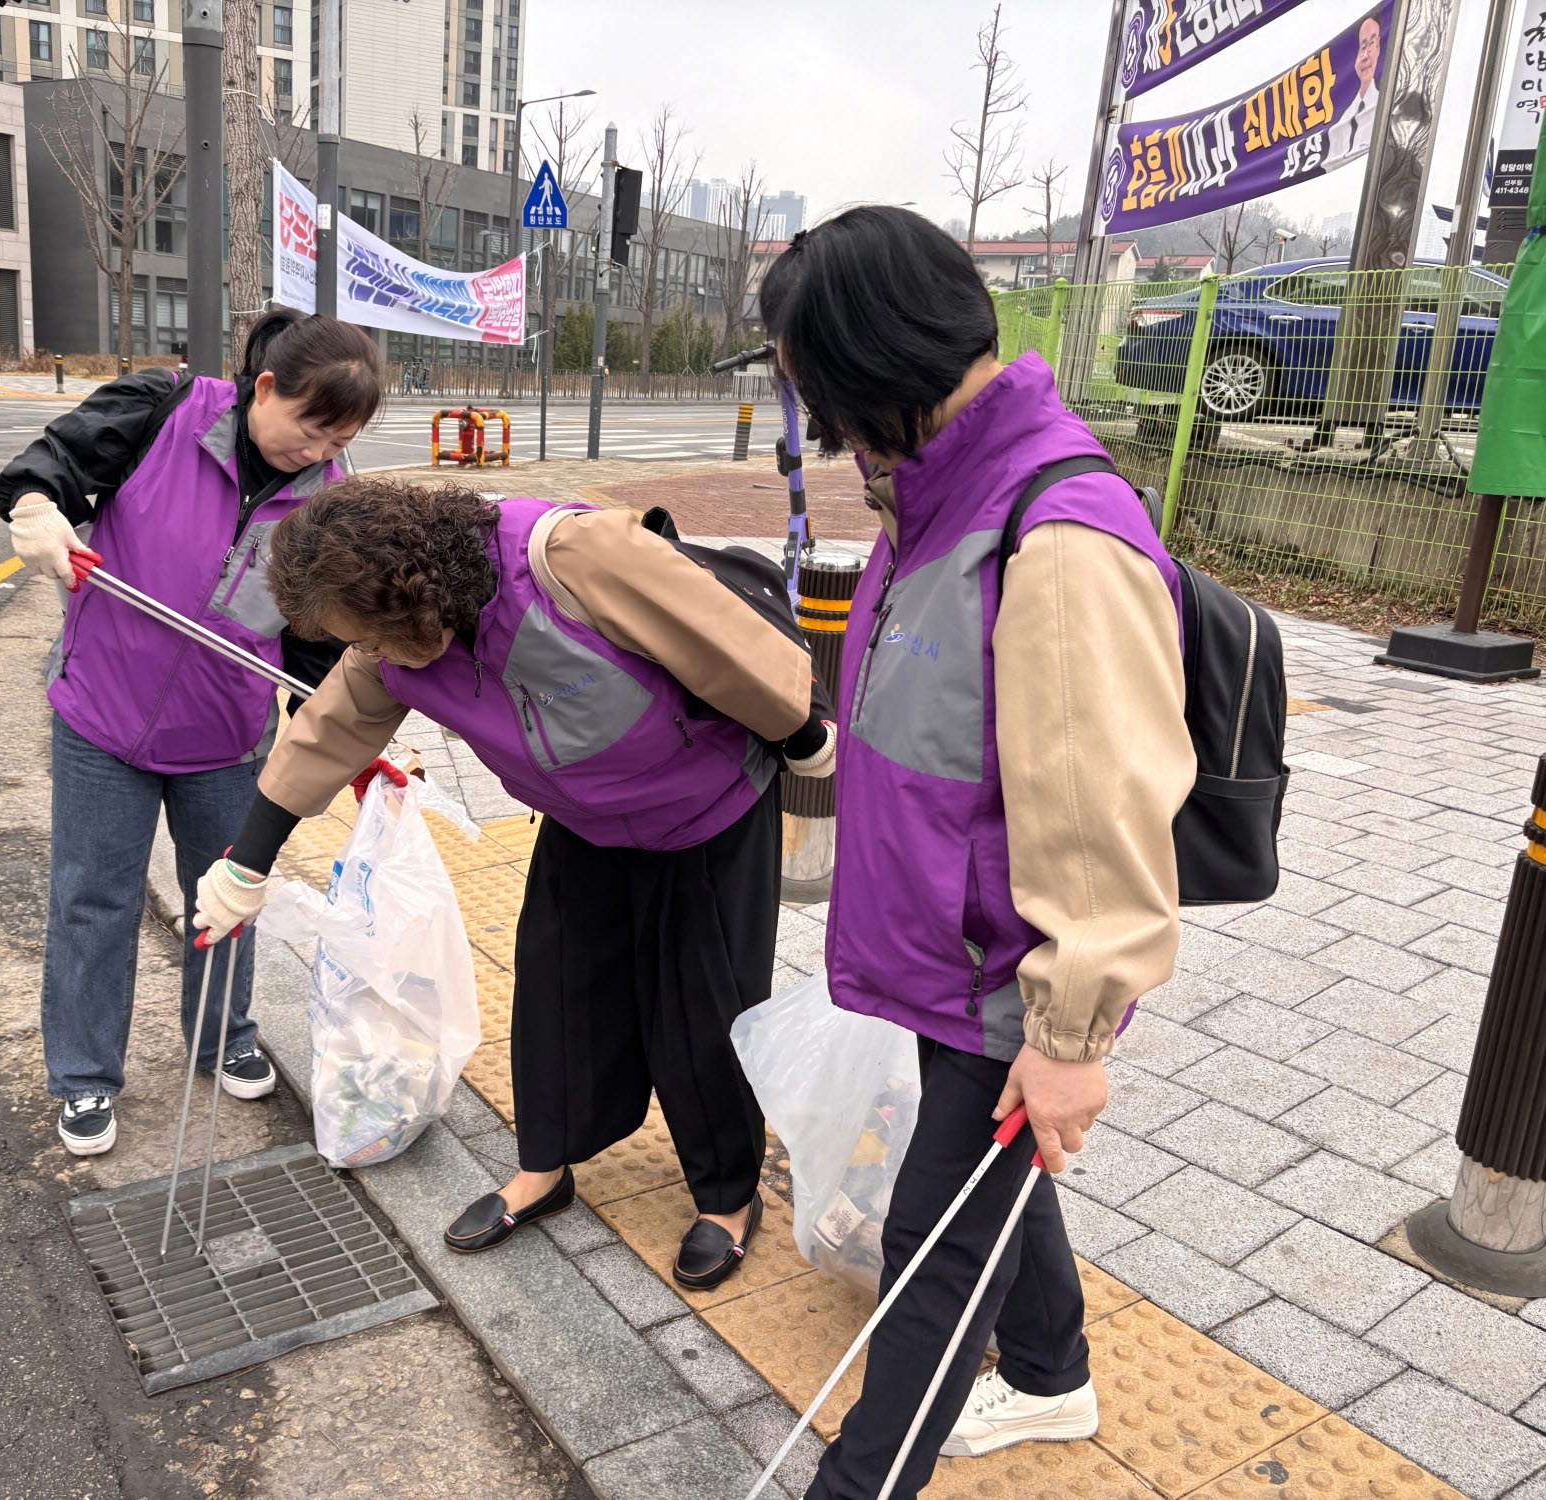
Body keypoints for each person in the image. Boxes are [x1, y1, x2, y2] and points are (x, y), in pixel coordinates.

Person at [761, 208, 1195, 1497]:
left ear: (869, 361)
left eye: (817, 389)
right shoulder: (935, 493)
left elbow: (1100, 814)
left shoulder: (1053, 533)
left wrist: (1065, 1045)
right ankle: (1053, 1377)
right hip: (950, 955)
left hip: (1009, 975)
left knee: (932, 1250)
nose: (820, 429)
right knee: (988, 1188)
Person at [193, 479, 836, 1290]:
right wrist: (245, 865)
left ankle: (726, 1199)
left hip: (703, 808)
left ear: (414, 590)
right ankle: (544, 1168)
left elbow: (717, 640)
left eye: (382, 637)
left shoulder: (566, 556)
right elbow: (326, 732)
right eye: (364, 645)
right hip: (582, 820)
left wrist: (803, 732)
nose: (378, 658)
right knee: (557, 996)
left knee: (700, 1007)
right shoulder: (387, 645)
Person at [0, 309, 384, 1158]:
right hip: (103, 715)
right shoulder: (163, 408)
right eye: (313, 427)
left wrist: (354, 736)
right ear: (266, 388)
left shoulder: (328, 500)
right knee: (94, 899)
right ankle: (86, 1077)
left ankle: (222, 1035)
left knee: (223, 899)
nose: (319, 451)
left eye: (340, 438)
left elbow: (317, 646)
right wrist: (36, 510)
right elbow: (50, 465)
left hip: (227, 735)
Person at [1325, 17, 1382, 167]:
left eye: (1371, 44)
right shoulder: (1343, 121)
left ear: (1379, 47)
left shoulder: (1386, 106)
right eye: (1363, 47)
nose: (1365, 56)